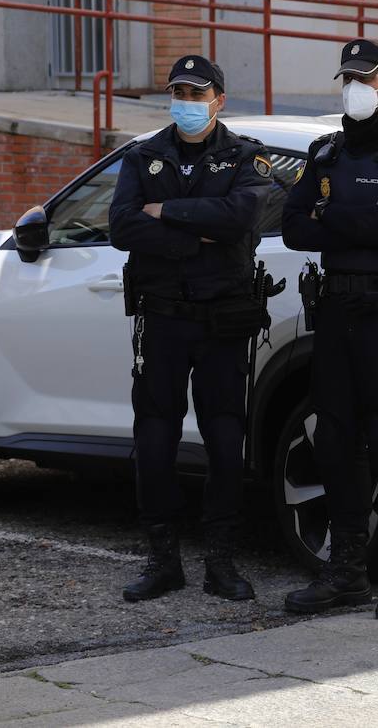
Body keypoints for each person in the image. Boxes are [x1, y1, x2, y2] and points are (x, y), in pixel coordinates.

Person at [281, 39, 378, 620]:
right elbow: (295, 226)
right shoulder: (326, 154)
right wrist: (357, 222)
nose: (355, 86)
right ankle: (345, 571)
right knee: (335, 440)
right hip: (337, 314)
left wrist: (333, 219)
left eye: (365, 77)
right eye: (347, 76)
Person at [108, 55, 276, 603]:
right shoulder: (144, 155)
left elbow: (241, 219)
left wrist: (167, 213)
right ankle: (162, 560)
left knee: (226, 438)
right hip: (161, 319)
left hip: (223, 319)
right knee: (154, 437)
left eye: (196, 93)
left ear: (219, 101)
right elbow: (121, 225)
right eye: (178, 91)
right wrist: (197, 232)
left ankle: (220, 561)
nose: (185, 101)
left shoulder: (246, 156)